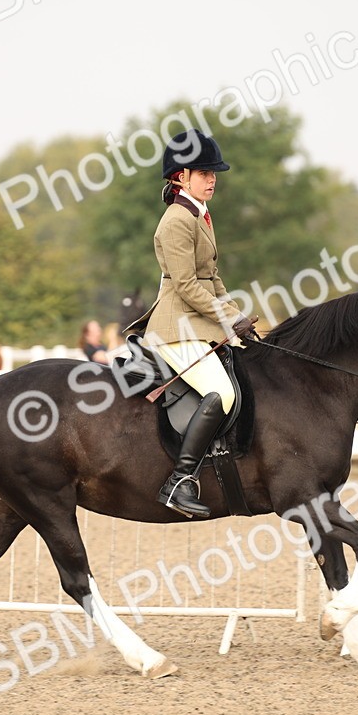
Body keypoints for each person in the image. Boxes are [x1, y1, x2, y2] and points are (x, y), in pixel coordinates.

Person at [126, 129, 257, 518]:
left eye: (214, 173)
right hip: (175, 326)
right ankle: (179, 482)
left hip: (199, 322)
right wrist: (228, 317)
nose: (212, 179)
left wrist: (236, 315)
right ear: (180, 176)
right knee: (222, 394)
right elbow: (185, 286)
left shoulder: (200, 215)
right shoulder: (175, 221)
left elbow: (212, 279)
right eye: (204, 173)